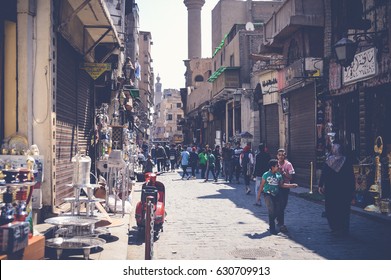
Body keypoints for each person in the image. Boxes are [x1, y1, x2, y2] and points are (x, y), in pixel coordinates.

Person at [318, 143, 355, 236]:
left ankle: (335, 227)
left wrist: (320, 185)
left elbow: (323, 174)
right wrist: (352, 192)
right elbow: (351, 177)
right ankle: (343, 228)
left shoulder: (329, 161)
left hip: (332, 189)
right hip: (343, 189)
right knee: (343, 209)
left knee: (332, 208)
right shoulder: (346, 161)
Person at [256, 159, 298, 235]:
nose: (278, 167)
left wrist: (291, 185)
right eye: (277, 166)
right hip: (267, 194)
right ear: (272, 167)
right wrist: (258, 197)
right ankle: (272, 228)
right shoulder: (266, 175)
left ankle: (273, 220)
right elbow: (261, 186)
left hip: (276, 194)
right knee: (271, 210)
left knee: (279, 209)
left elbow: (282, 185)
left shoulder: (279, 175)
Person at [276, 148, 295, 233]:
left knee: (283, 205)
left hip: (285, 187)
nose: (281, 156)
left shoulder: (288, 165)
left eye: (282, 155)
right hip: (276, 187)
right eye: (279, 155)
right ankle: (281, 223)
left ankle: (279, 218)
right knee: (278, 205)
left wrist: (283, 173)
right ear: (277, 156)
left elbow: (291, 177)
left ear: (285, 156)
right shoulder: (275, 164)